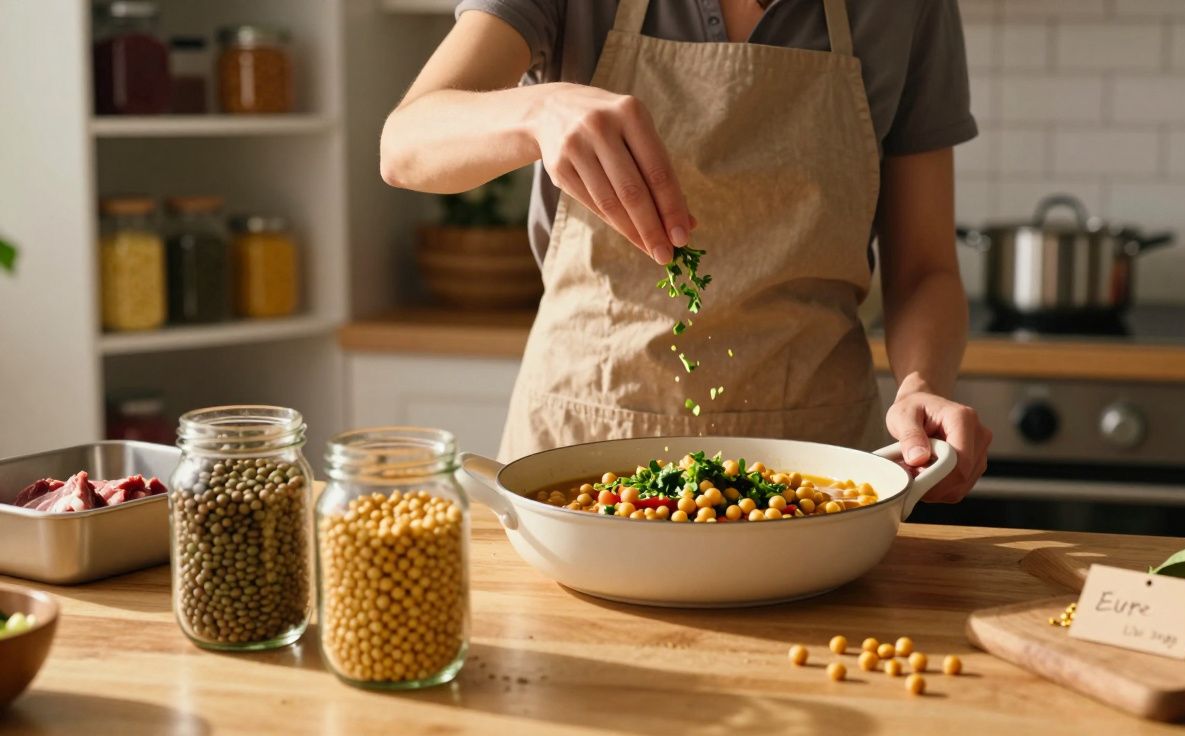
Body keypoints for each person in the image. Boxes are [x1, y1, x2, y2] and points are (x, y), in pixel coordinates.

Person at [380, 0, 991, 502]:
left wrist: (921, 387)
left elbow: (924, 270)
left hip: (817, 477)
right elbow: (405, 145)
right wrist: (538, 111)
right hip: (579, 455)